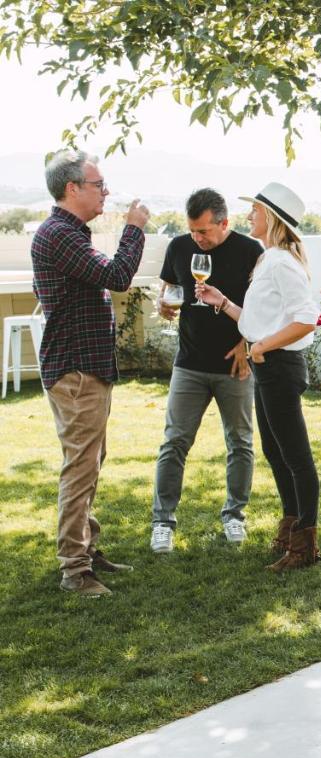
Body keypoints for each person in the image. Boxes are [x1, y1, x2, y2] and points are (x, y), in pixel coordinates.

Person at [31, 150, 150, 596]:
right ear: (72, 188)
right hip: (76, 371)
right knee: (80, 468)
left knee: (89, 463)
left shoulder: (66, 235)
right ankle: (75, 570)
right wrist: (134, 228)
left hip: (86, 368)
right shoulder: (59, 235)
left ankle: (85, 546)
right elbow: (119, 276)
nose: (107, 191)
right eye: (99, 184)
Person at [195, 183, 321, 572]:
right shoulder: (270, 259)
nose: (250, 216)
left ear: (273, 219)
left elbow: (306, 318)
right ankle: (290, 530)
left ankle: (304, 546)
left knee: (296, 457)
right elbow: (260, 318)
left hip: (279, 366)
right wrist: (225, 304)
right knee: (276, 452)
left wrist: (263, 347)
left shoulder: (282, 262)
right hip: (270, 366)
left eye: (256, 211)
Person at [149, 189, 264, 553]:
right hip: (189, 364)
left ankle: (234, 516)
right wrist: (162, 303)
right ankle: (162, 522)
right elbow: (169, 287)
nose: (197, 239)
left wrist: (246, 346)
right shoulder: (180, 247)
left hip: (234, 364)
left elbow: (263, 310)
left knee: (240, 443)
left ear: (224, 223)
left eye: (204, 232)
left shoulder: (250, 253)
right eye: (193, 231)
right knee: (174, 442)